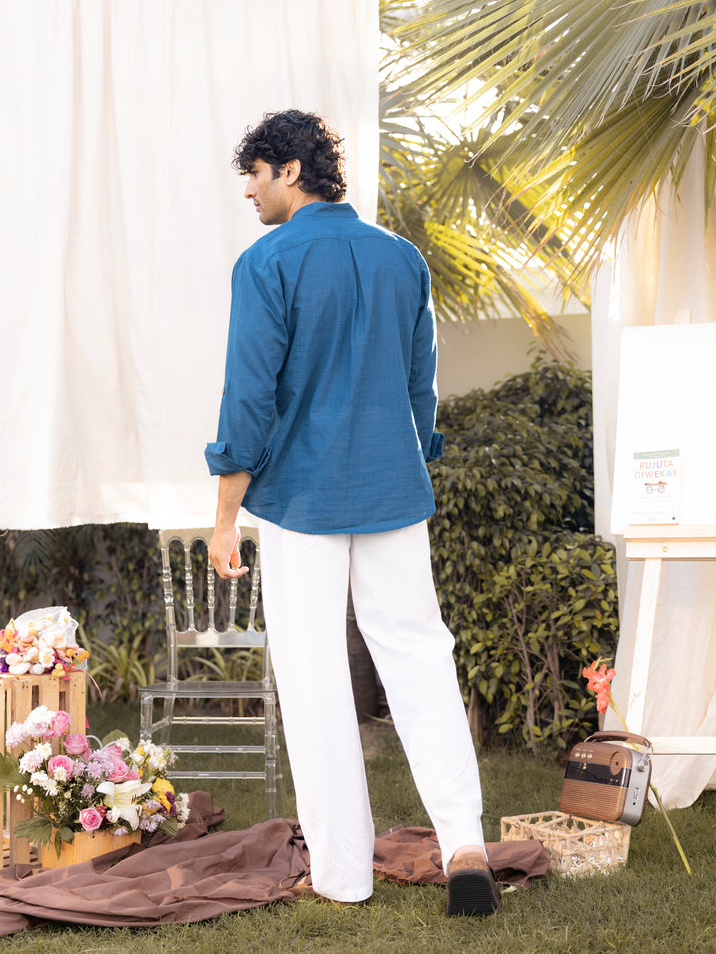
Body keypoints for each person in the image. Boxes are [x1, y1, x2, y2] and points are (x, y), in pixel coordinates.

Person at [205, 109, 499, 915]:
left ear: (289, 171)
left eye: (255, 177)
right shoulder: (403, 260)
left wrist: (227, 514)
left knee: (314, 677)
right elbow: (419, 389)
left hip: (301, 498)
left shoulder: (267, 263)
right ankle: (465, 842)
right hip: (393, 492)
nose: (251, 195)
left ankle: (342, 873)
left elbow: (249, 399)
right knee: (419, 656)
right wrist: (410, 458)